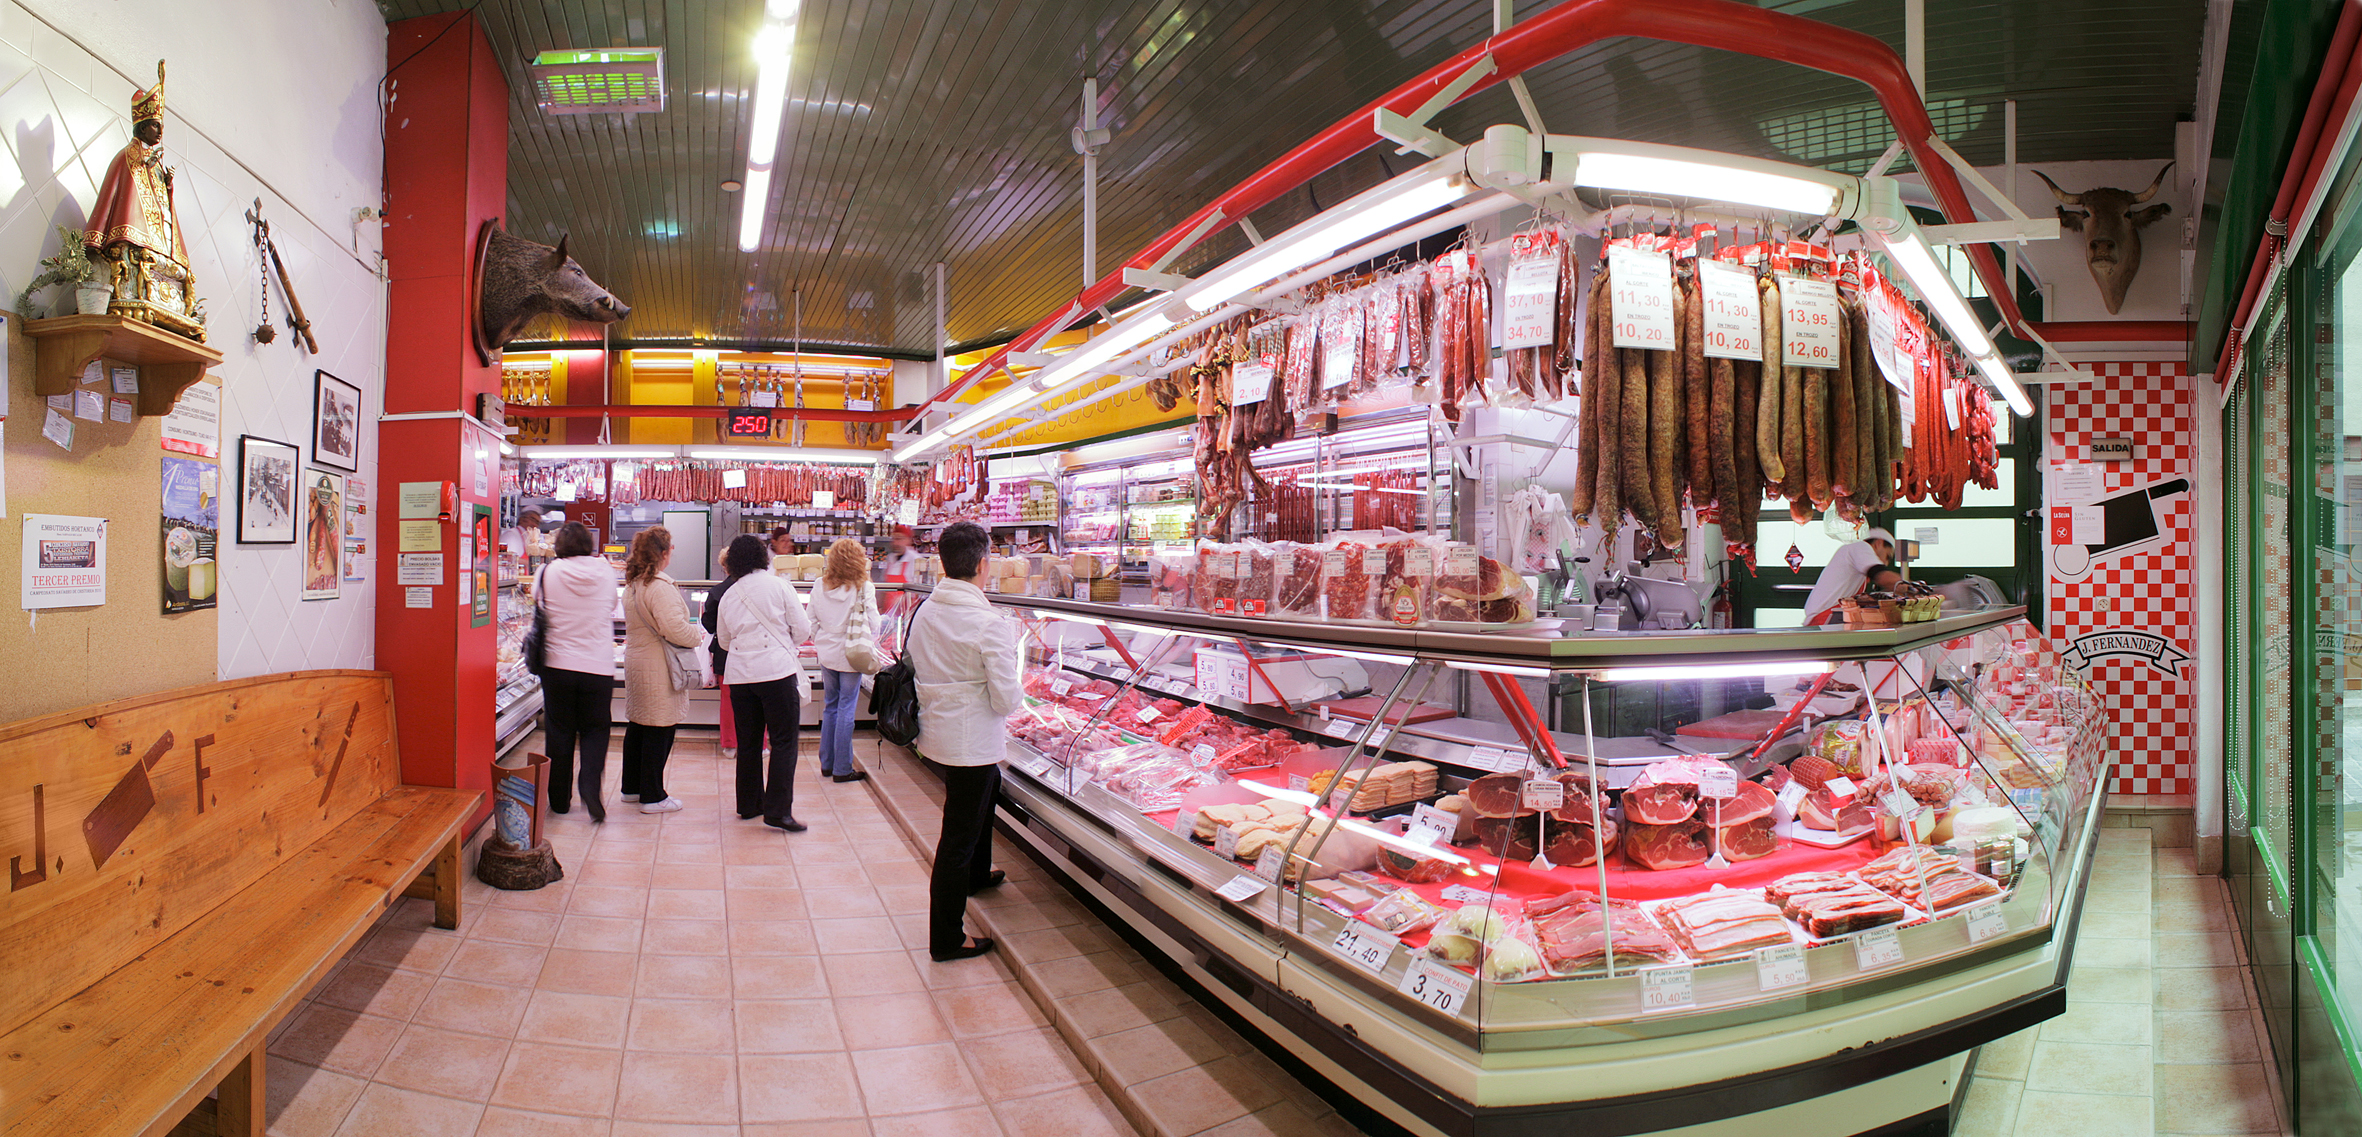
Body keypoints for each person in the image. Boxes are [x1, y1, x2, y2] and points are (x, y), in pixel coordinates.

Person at [906, 520, 1021, 962]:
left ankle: (976, 873)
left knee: (982, 800)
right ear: (982, 565)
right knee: (955, 837)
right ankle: (946, 938)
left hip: (938, 733)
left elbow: (916, 662)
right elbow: (1006, 698)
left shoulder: (926, 610)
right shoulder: (989, 622)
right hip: (972, 741)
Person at [714, 534, 815, 830]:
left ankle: (748, 804)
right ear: (763, 557)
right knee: (783, 742)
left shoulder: (729, 594)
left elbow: (723, 639)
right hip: (776, 672)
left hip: (740, 675)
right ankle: (778, 811)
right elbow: (802, 629)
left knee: (748, 742)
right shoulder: (779, 585)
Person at [536, 522, 621, 820]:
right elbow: (611, 604)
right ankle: (589, 787)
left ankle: (559, 799)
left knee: (559, 731)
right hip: (598, 664)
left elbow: (539, 605)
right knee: (596, 729)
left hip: (557, 664)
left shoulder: (547, 572)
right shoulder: (606, 570)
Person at [620, 527, 705, 814]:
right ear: (663, 553)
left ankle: (631, 788)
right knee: (660, 728)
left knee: (639, 726)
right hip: (658, 665)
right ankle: (653, 796)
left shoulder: (633, 584)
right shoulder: (660, 586)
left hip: (637, 660)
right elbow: (674, 628)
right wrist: (697, 635)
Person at [806, 538, 878, 784]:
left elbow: (811, 621)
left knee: (831, 706)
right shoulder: (864, 587)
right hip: (852, 654)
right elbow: (875, 624)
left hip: (827, 653)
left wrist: (822, 639)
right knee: (847, 707)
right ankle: (842, 768)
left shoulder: (819, 585)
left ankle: (827, 764)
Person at [1802, 528, 1898, 626]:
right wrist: (1904, 585)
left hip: (1829, 618)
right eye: (1888, 556)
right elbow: (1882, 575)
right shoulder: (1859, 546)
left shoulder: (1855, 554)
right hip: (1824, 618)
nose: (1886, 563)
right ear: (1879, 543)